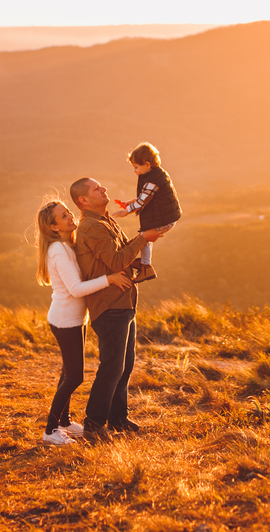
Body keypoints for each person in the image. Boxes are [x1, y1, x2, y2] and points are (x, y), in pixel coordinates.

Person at [70, 176, 166, 437]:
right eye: (96, 189)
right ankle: (93, 424)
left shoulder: (106, 221)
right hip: (108, 304)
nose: (103, 189)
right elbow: (115, 261)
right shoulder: (90, 227)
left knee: (125, 364)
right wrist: (143, 238)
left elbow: (121, 255)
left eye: (101, 186)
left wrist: (140, 251)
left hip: (123, 300)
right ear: (83, 200)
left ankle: (118, 418)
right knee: (112, 366)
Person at [35, 198, 133, 446]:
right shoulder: (58, 250)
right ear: (54, 227)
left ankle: (65, 422)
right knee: (74, 377)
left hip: (74, 319)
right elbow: (77, 289)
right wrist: (109, 279)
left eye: (68, 211)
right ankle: (50, 430)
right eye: (63, 216)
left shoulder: (67, 245)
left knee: (68, 372)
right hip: (65, 320)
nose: (70, 216)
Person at [111, 142, 183, 283]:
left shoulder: (153, 180)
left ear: (147, 164)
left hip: (165, 219)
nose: (134, 171)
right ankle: (145, 263)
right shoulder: (153, 175)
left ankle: (146, 266)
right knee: (144, 237)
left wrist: (126, 211)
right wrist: (131, 202)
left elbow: (142, 202)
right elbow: (146, 196)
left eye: (136, 167)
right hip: (164, 216)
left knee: (144, 237)